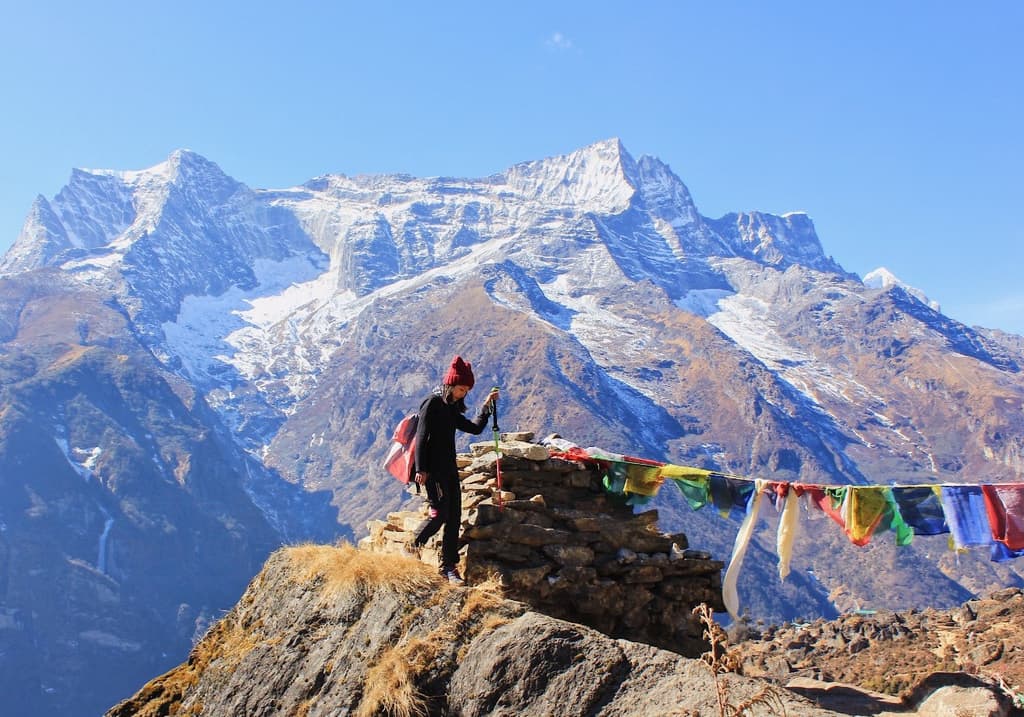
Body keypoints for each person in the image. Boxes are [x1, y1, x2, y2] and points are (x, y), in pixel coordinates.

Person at [410, 355, 499, 585]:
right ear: (450, 384)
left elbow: (475, 429)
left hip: (449, 469)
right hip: (432, 471)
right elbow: (421, 436)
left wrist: (487, 407)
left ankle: (448, 567)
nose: (463, 394)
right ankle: (412, 546)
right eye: (461, 389)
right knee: (440, 514)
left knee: (454, 517)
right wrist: (421, 468)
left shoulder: (451, 408)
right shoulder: (432, 403)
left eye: (466, 391)